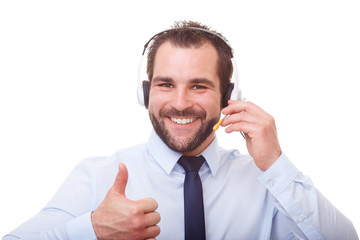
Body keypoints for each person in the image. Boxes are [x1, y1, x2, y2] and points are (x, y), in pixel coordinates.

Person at [3, 20, 358, 240]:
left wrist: (276, 164)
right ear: (145, 93)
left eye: (199, 86)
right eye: (165, 84)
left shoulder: (269, 183)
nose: (181, 102)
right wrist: (91, 230)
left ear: (228, 96)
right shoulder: (98, 176)